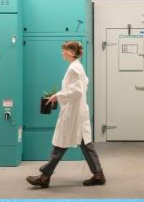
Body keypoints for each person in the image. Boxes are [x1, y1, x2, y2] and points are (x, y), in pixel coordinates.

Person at [26, 41, 106, 188]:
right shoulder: (78, 66)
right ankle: (98, 174)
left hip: (74, 112)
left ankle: (45, 177)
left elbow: (77, 91)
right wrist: (60, 94)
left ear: (70, 52)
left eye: (63, 51)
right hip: (78, 111)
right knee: (84, 143)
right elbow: (82, 85)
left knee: (61, 143)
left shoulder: (74, 69)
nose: (62, 53)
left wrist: (58, 96)